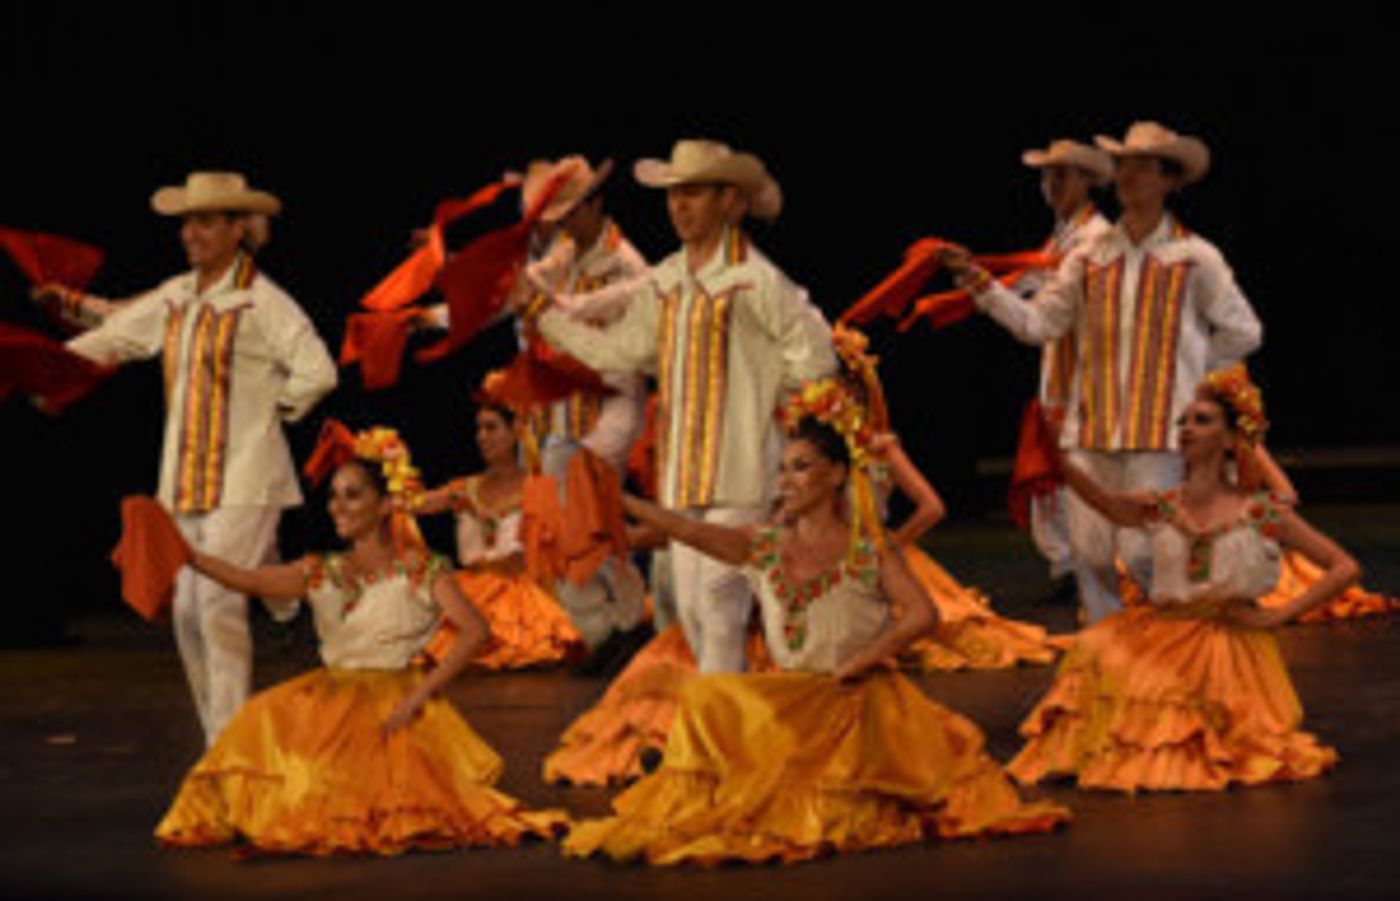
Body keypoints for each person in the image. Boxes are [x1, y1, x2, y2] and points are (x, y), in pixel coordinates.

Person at [564, 413, 1068, 865]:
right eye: (782, 469)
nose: (786, 481)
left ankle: (731, 772)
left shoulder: (867, 550)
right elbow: (689, 532)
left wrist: (864, 660)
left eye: (801, 467)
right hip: (793, 696)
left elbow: (922, 614)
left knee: (809, 781)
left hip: (853, 701)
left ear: (837, 475)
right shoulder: (764, 545)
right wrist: (620, 499)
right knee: (705, 697)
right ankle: (700, 771)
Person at [154, 425, 565, 854]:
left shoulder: (420, 569)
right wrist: (189, 555)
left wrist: (420, 695)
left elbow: (475, 630)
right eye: (334, 496)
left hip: (392, 701)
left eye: (352, 495)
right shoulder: (321, 569)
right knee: (262, 724)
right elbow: (249, 580)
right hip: (328, 699)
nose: (337, 506)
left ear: (384, 505)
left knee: (377, 796)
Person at [48, 172, 337, 745]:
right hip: (183, 479)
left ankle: (226, 747)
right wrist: (45, 370)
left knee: (216, 606)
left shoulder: (264, 301)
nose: (190, 234)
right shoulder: (178, 294)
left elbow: (318, 371)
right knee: (186, 611)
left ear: (237, 229)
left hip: (246, 475)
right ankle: (219, 736)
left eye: (205, 222)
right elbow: (114, 336)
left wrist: (268, 414)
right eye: (187, 223)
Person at [943, 122, 1263, 625]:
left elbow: (1243, 330)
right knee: (1090, 557)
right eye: (1124, 166)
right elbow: (1038, 324)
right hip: (1090, 430)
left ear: (1169, 180)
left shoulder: (1194, 257)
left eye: (1143, 167)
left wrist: (1191, 380)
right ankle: (1104, 654)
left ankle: (1173, 641)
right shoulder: (1089, 257)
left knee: (1142, 553)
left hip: (1158, 434)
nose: (1128, 177)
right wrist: (978, 284)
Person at [537, 139, 837, 674]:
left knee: (720, 611)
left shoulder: (757, 280)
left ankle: (717, 723)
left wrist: (765, 403)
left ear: (731, 201)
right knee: (693, 613)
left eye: (693, 193)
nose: (678, 205)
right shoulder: (668, 279)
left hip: (743, 471)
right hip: (682, 476)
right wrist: (545, 318)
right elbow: (618, 350)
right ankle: (721, 715)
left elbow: (816, 359)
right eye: (673, 194)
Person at [1008, 366, 1356, 791]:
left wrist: (1279, 615)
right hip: (1165, 630)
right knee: (1098, 652)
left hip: (1226, 639)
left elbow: (1343, 567)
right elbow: (1105, 502)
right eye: (1183, 422)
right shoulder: (1161, 505)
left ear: (1229, 440)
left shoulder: (1259, 510)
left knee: (1187, 716)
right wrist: (1062, 458)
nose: (1186, 429)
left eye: (1201, 421)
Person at [415, 391, 585, 669]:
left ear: (516, 430)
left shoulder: (540, 489)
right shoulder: (464, 490)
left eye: (491, 427)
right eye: (479, 428)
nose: (482, 436)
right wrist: (388, 463)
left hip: (523, 604)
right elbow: (416, 504)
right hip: (470, 597)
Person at [1014, 139, 1114, 606]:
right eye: (1047, 176)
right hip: (1060, 372)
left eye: (1062, 175)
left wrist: (984, 286)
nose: (1051, 184)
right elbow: (1029, 283)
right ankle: (1070, 567)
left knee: (1081, 474)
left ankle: (1092, 568)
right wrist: (979, 281)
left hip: (1086, 376)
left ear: (1088, 181)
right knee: (1052, 476)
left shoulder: (1096, 237)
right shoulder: (1062, 235)